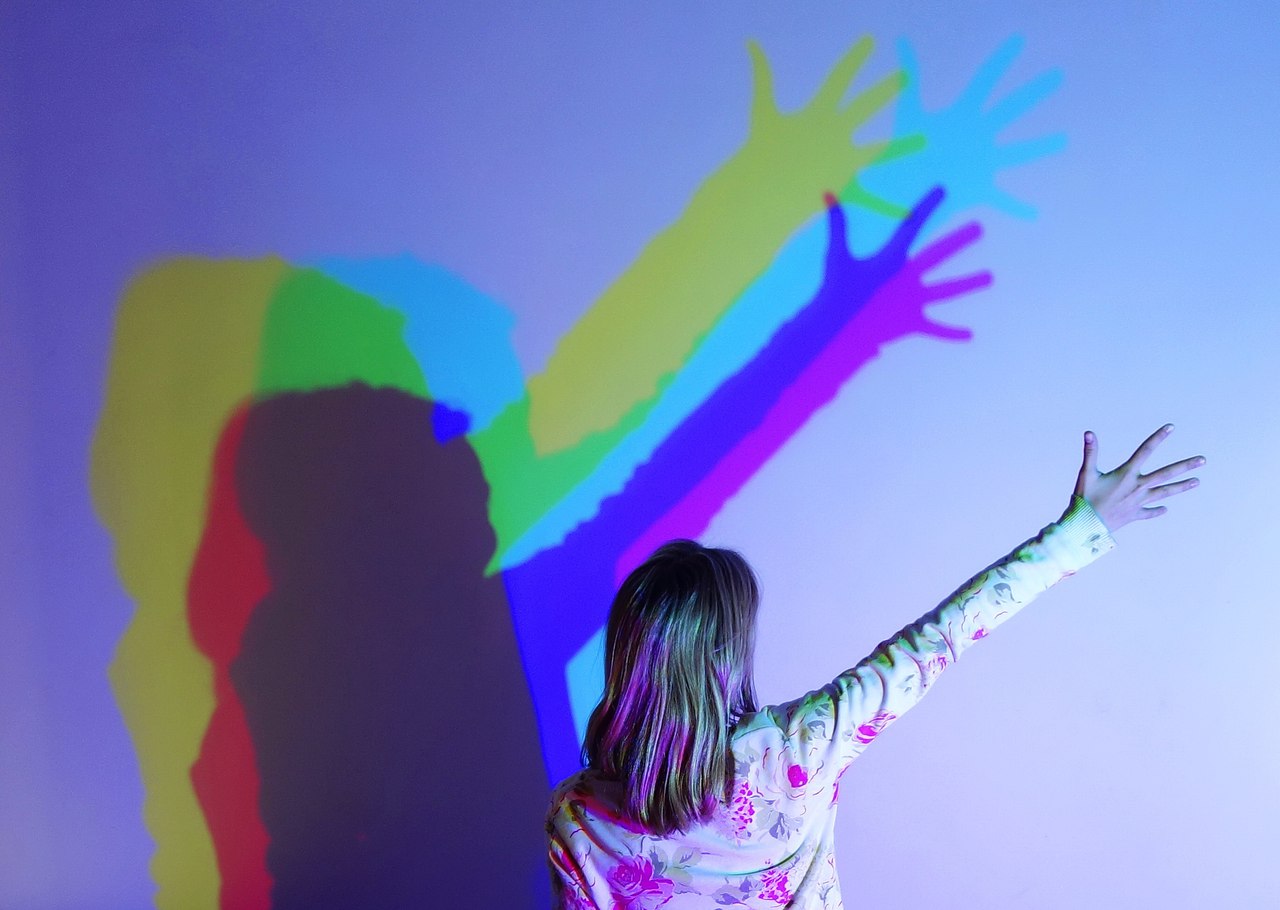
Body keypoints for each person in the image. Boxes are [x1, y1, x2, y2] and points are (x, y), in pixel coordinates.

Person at [546, 426, 1204, 909]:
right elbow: (940, 638)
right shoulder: (796, 751)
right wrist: (1077, 534)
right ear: (724, 655)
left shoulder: (576, 818)